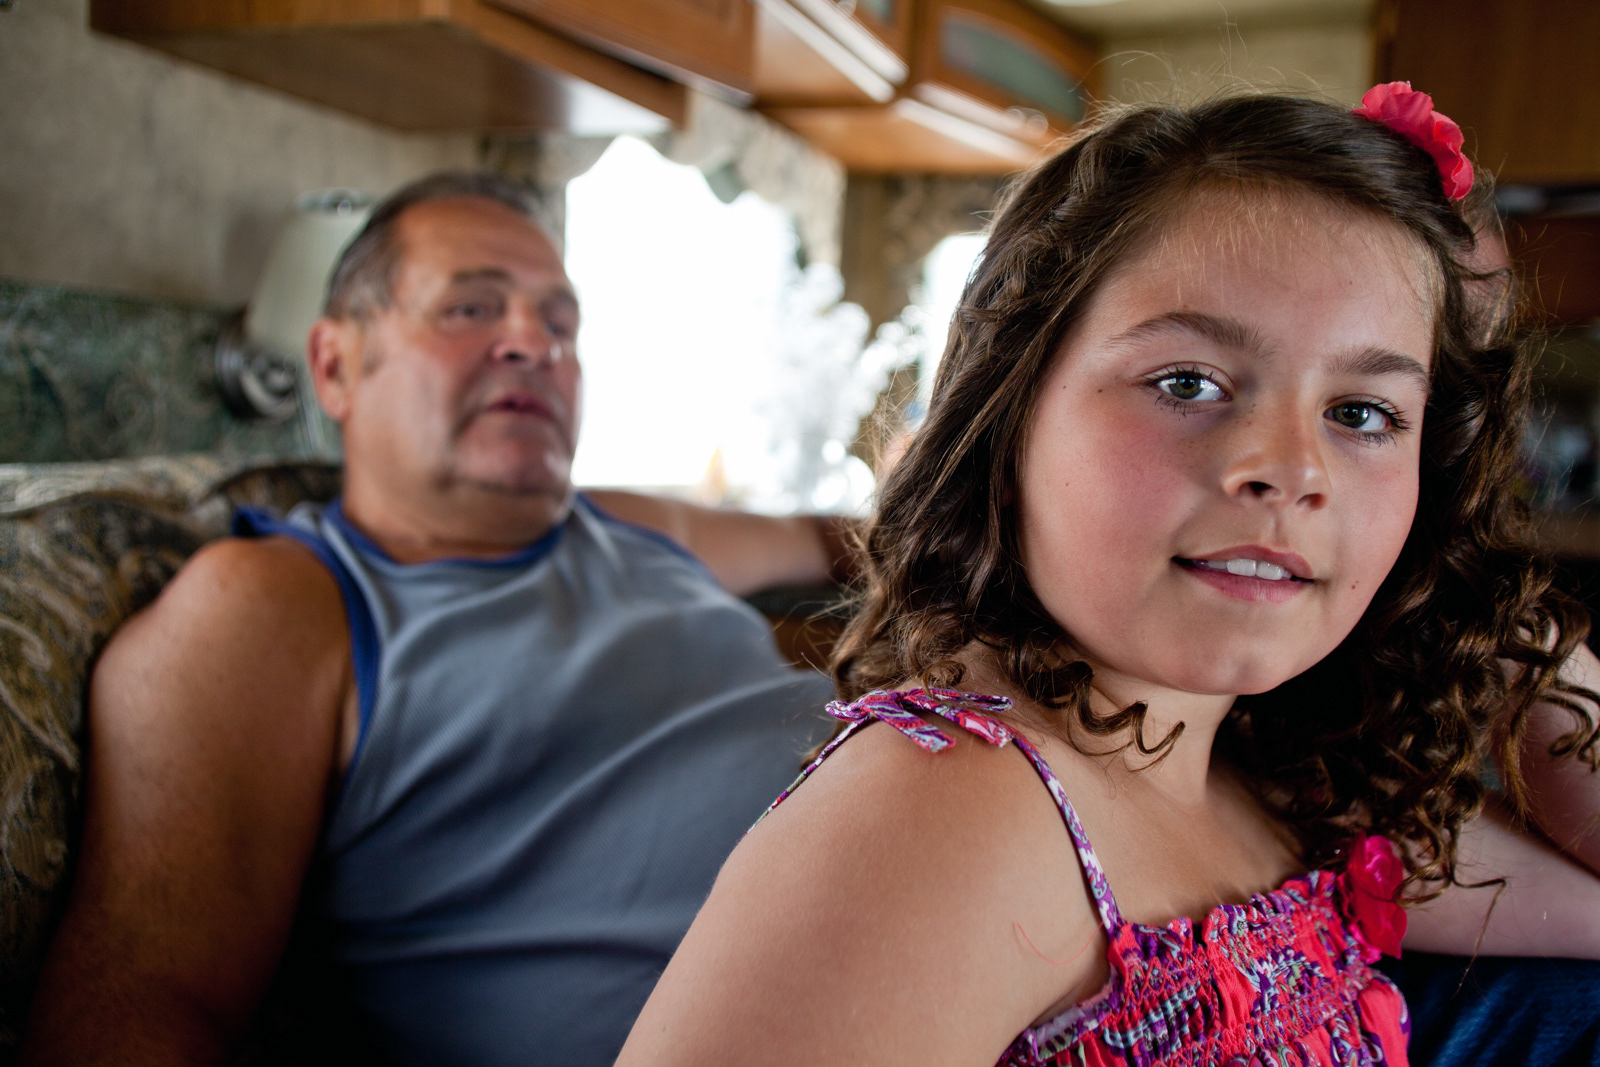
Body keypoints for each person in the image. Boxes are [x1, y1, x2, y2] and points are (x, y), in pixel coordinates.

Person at [616, 87, 1600, 1067]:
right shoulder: (951, 814)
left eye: (1362, 414)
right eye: (1187, 383)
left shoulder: (1283, 793)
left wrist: (1491, 608)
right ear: (1008, 417)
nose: (1291, 468)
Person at [19, 173, 849, 1066]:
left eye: (560, 323)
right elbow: (136, 1006)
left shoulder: (628, 524)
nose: (533, 341)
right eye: (471, 308)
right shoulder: (273, 607)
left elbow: (832, 538)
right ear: (335, 365)